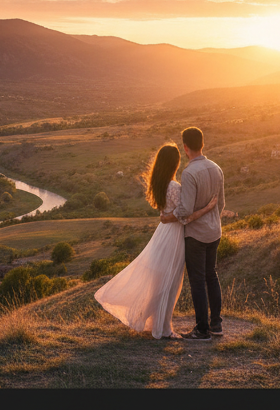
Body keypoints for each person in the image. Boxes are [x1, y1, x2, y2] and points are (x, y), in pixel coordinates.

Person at [94, 143, 218, 340]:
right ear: (174, 163)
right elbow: (185, 216)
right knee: (169, 283)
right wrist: (208, 208)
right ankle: (163, 329)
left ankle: (153, 322)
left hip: (163, 233)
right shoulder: (174, 187)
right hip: (174, 237)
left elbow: (170, 214)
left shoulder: (160, 184)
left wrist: (169, 217)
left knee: (160, 282)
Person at [161, 126, 225, 341]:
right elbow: (221, 203)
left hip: (196, 234)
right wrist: (211, 218)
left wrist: (169, 217)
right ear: (202, 144)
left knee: (197, 280)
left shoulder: (189, 173)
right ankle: (216, 324)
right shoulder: (216, 168)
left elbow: (185, 210)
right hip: (214, 231)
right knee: (211, 275)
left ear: (186, 147)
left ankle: (202, 330)